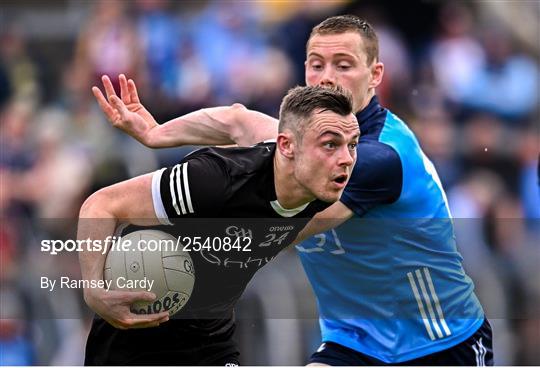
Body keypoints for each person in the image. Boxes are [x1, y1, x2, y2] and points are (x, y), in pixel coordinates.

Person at [97, 15, 494, 366]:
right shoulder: (306, 140)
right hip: (353, 343)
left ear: (375, 75)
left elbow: (287, 229)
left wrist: (190, 239)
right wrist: (155, 134)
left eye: (343, 65)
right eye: (316, 65)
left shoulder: (381, 158)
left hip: (438, 342)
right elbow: (237, 121)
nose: (326, 78)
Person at [79, 84, 359, 365]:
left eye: (353, 144)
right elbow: (101, 205)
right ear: (286, 146)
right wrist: (93, 292)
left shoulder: (331, 183)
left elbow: (237, 119)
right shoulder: (213, 181)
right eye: (330, 144)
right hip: (133, 337)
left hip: (211, 341)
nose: (346, 158)